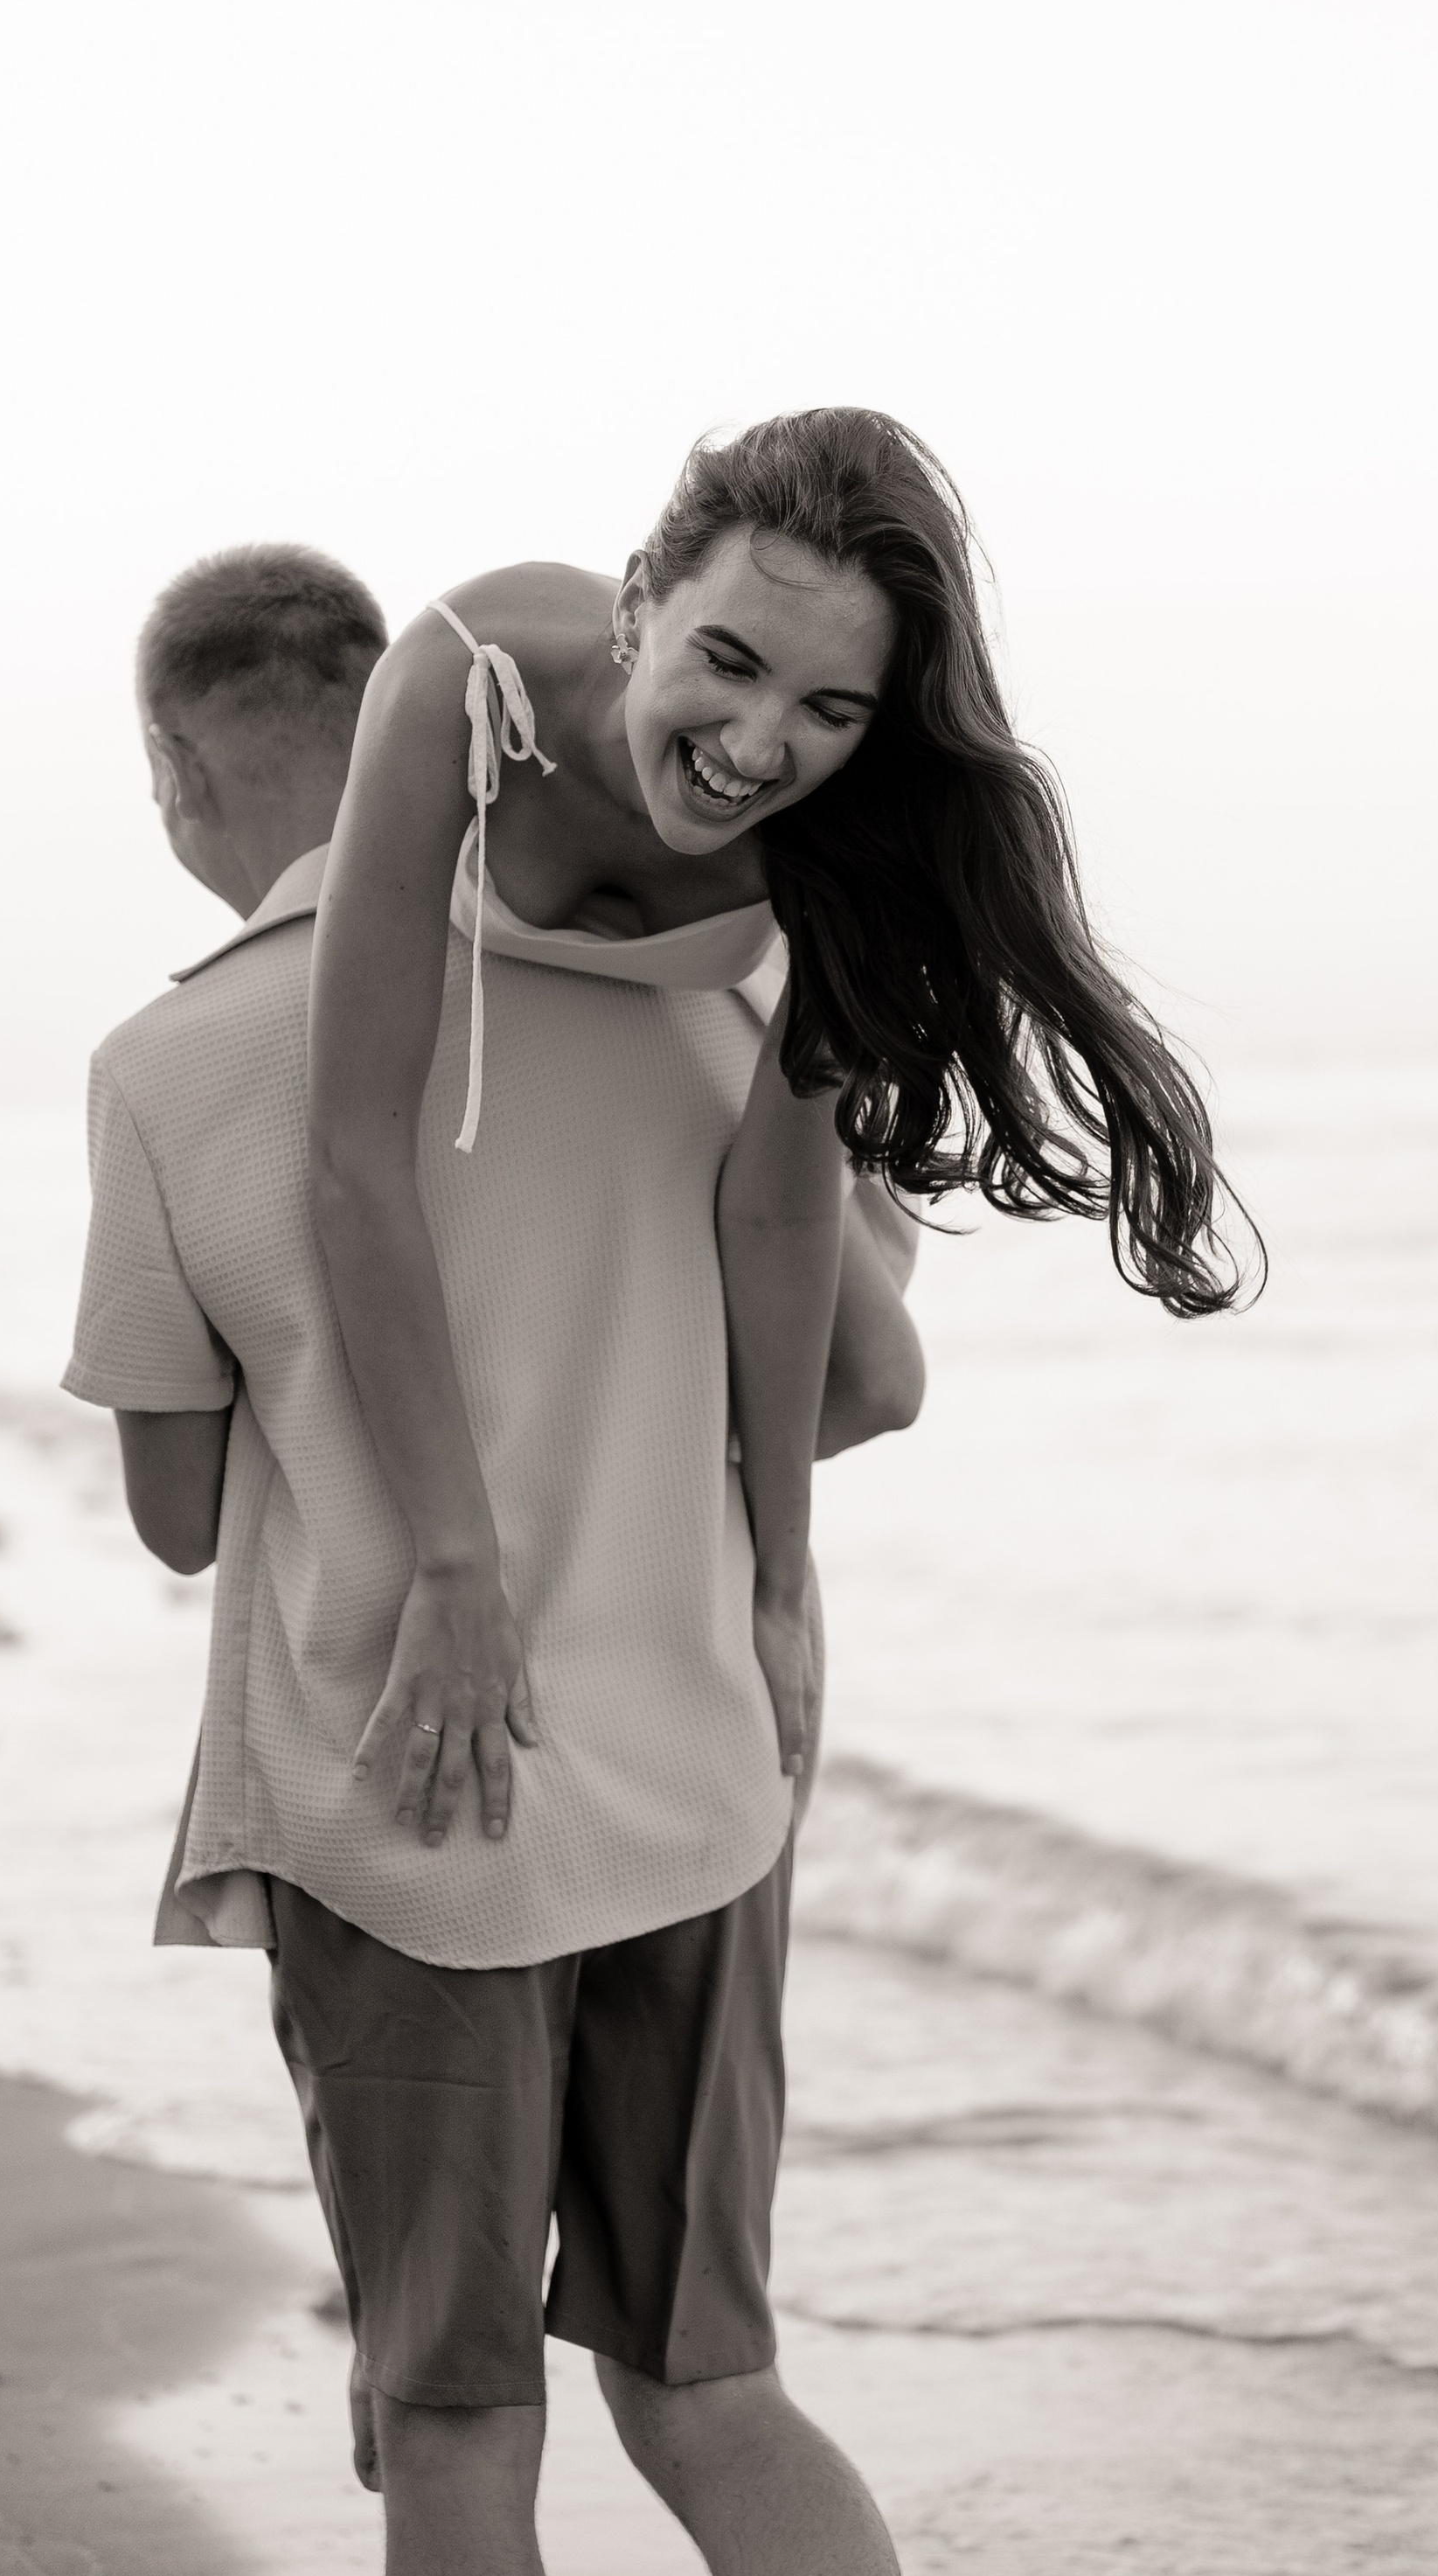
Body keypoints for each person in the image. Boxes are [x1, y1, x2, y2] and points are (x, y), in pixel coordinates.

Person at [66, 542, 921, 2576]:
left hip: (408, 1804)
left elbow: (181, 1516)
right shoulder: (688, 981)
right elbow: (863, 1384)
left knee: (455, 2434)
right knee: (710, 2393)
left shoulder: (169, 1067)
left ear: (174, 767)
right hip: (700, 1767)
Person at [310, 407, 1251, 1880]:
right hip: (538, 1010)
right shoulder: (462, 674)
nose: (756, 746)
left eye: (831, 709)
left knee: (877, 1380)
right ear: (639, 604)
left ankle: (677, 1546)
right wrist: (453, 1557)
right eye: (728, 663)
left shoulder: (839, 843)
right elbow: (354, 1153)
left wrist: (776, 1580)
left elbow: (776, 1221)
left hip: (738, 1026)